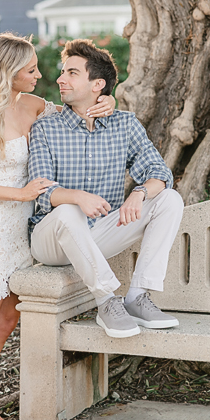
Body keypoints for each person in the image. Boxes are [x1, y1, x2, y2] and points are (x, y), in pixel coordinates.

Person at [0, 33, 115, 420]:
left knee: (10, 316)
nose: (42, 75)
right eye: (32, 69)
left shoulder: (36, 107)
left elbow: (78, 112)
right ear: (8, 73)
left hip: (23, 232)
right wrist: (21, 193)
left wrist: (106, 104)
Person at [27, 39, 184, 340]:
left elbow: (159, 173)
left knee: (169, 199)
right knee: (68, 211)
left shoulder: (125, 124)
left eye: (71, 73)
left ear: (98, 84)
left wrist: (138, 193)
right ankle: (106, 301)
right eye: (63, 72)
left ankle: (137, 295)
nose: (60, 79)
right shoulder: (46, 128)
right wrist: (77, 197)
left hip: (99, 232)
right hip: (51, 240)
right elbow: (43, 191)